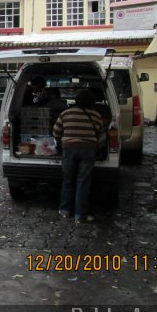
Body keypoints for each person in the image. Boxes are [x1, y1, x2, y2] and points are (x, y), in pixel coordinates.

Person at [52, 89, 103, 224]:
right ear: (92, 102)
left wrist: (61, 140)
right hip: (88, 150)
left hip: (69, 149)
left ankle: (64, 210)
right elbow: (100, 134)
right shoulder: (96, 115)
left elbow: (56, 132)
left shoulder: (66, 113)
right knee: (83, 182)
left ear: (76, 100)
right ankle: (80, 215)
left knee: (68, 180)